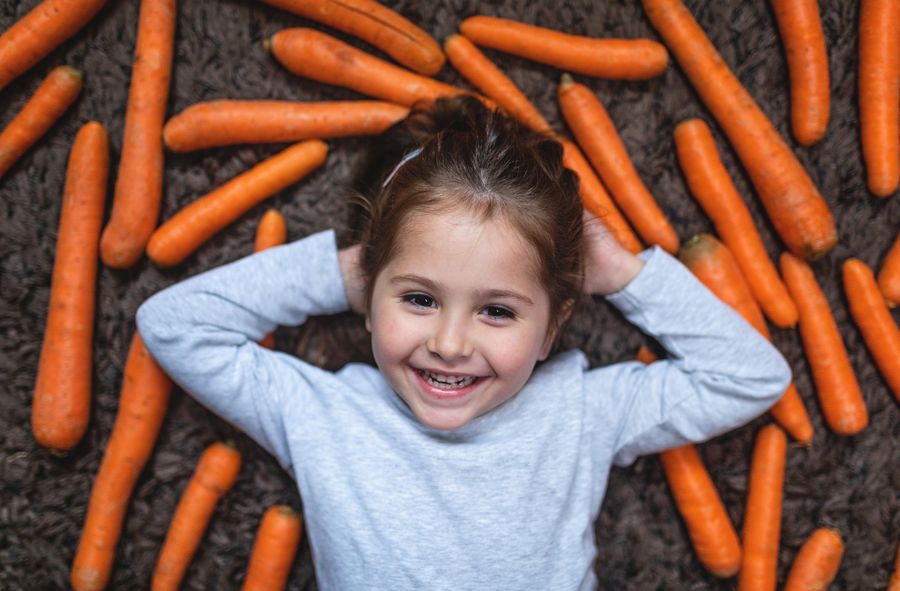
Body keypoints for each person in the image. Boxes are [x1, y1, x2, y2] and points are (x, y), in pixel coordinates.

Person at [136, 96, 790, 590]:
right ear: (370, 297)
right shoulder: (321, 412)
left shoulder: (581, 410)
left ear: (552, 327)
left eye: (498, 311)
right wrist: (348, 271)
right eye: (419, 299)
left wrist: (621, 273)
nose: (449, 343)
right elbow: (175, 324)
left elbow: (748, 376)